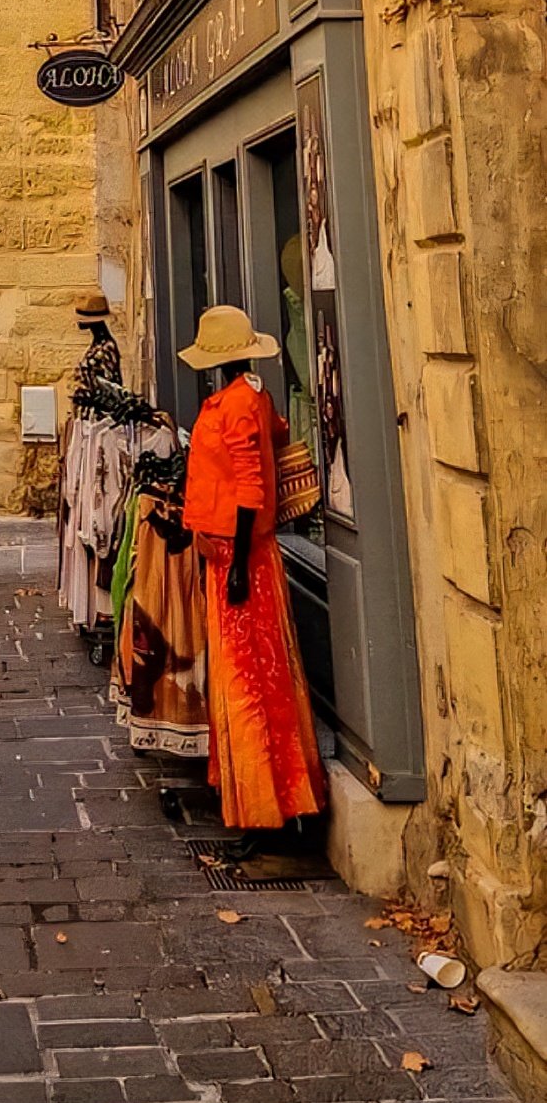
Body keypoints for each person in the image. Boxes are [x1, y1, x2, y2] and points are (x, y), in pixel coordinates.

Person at [179, 303, 327, 836]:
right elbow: (279, 439)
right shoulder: (254, 398)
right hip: (237, 554)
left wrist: (238, 562)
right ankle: (266, 796)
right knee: (256, 674)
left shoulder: (236, 406)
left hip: (238, 556)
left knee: (247, 680)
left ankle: (262, 806)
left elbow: (250, 486)